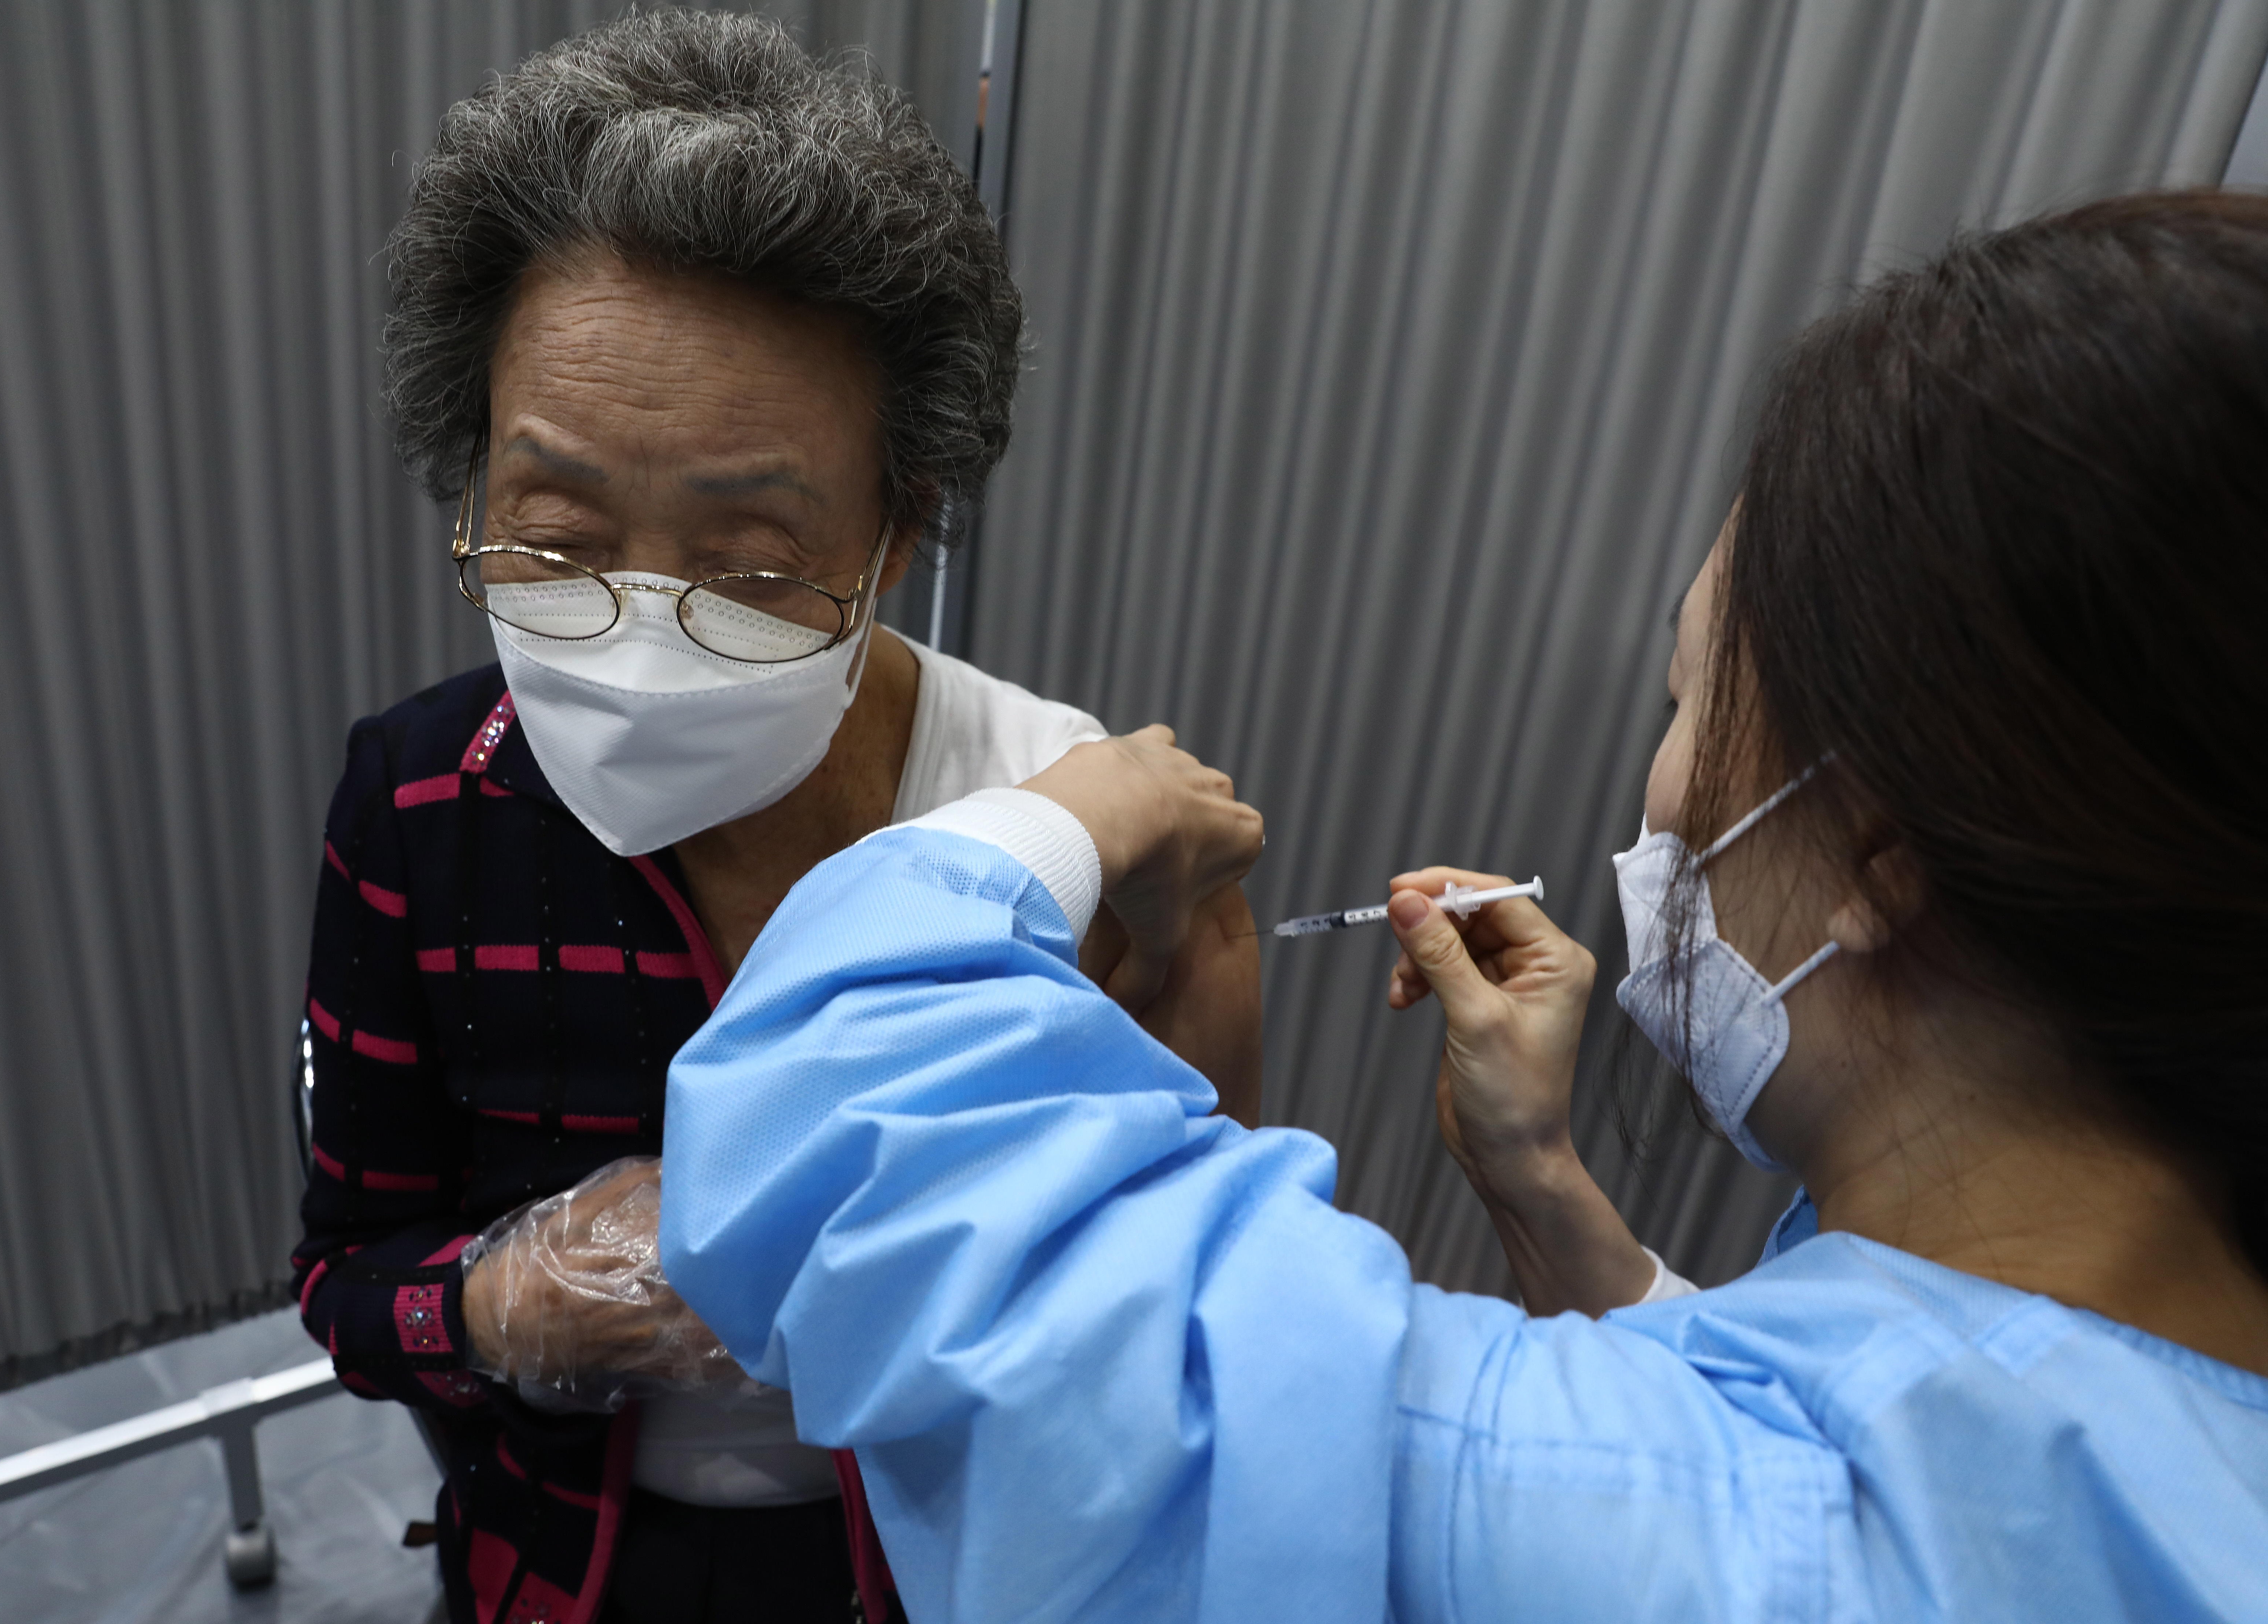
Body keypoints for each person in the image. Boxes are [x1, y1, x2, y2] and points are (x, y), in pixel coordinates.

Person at [657, 191, 2268, 1620]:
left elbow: (828, 1104)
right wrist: (1551, 1190)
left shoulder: (1512, 1508)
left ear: (1878, 858)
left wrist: (1076, 811)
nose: (1661, 785)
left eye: (1684, 699)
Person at [287, 14, 1257, 1624]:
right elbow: (346, 1277)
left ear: (899, 531)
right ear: (470, 486)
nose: (638, 633)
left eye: (745, 568)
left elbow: (1170, 1276)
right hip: (562, 1562)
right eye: (554, 531)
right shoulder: (418, 808)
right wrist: (503, 1307)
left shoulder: (1040, 803)